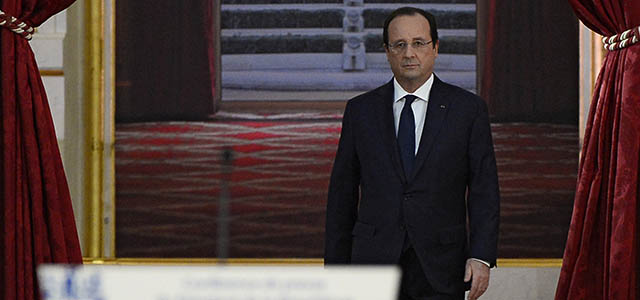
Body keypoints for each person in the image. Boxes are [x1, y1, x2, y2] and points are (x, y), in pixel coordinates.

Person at [324, 7, 500, 300]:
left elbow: (484, 189)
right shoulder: (360, 111)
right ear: (387, 51)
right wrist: (335, 266)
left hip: (442, 264)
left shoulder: (468, 110)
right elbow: (341, 194)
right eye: (399, 44)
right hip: (372, 264)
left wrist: (481, 256)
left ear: (435, 48)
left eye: (419, 43)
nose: (409, 53)